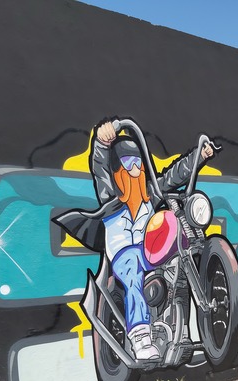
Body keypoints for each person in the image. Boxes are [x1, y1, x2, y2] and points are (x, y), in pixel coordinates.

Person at [53, 118, 214, 360]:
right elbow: (99, 168)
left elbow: (174, 175)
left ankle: (181, 333)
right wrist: (101, 142)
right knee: (132, 268)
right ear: (117, 170)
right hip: (123, 254)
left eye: (138, 163)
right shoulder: (110, 197)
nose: (135, 169)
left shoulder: (150, 194)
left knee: (178, 262)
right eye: (128, 164)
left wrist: (199, 157)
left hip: (149, 250)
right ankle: (140, 337)